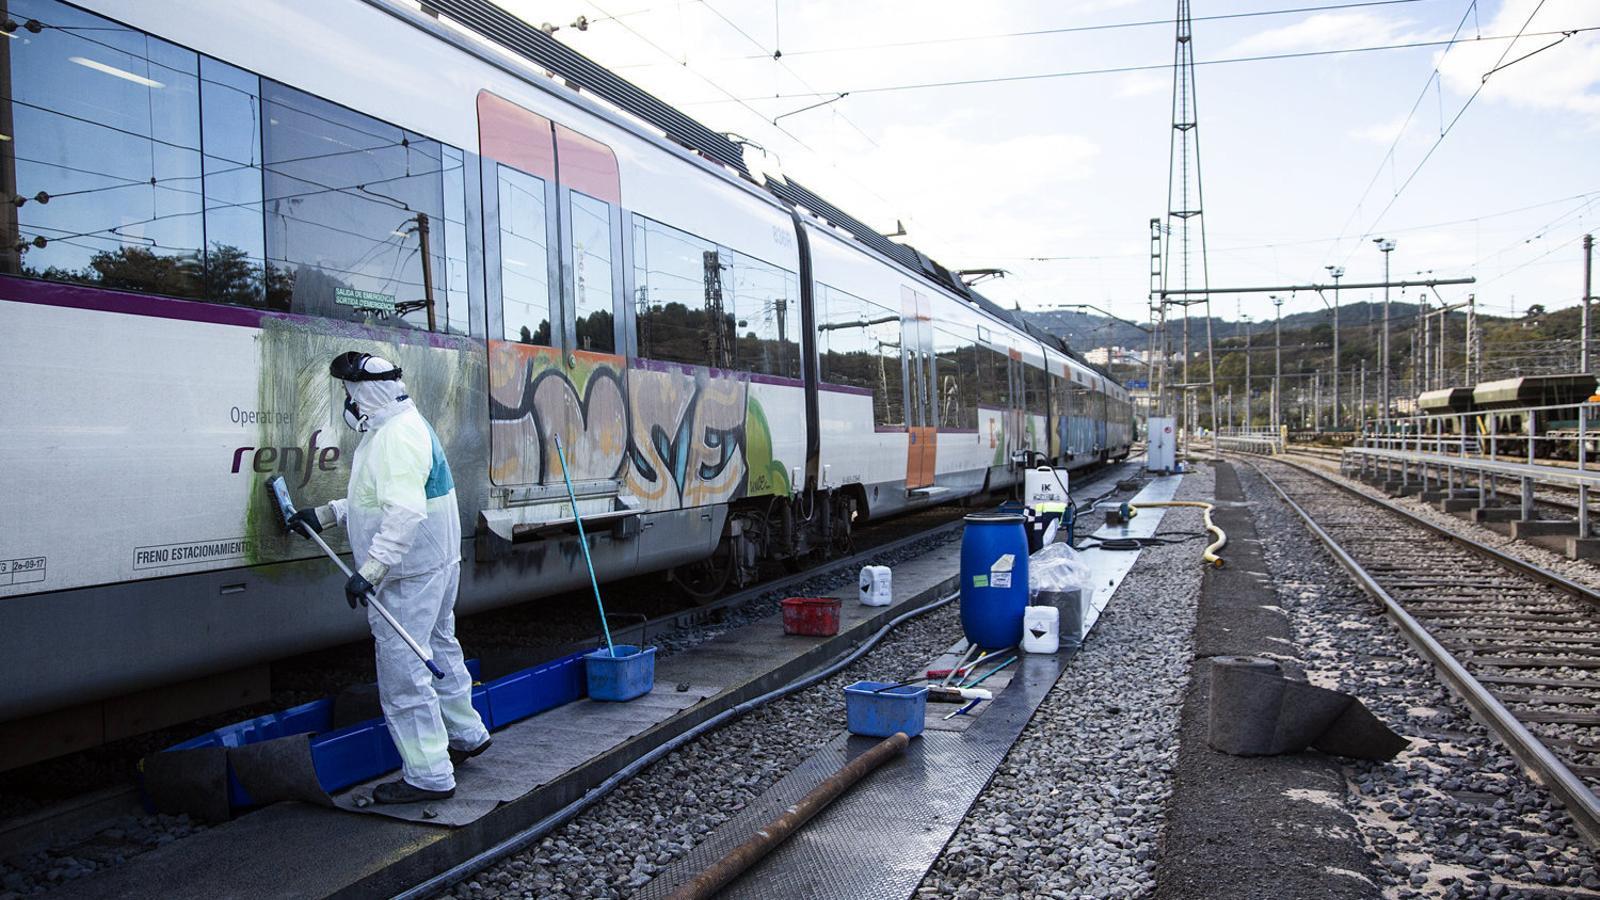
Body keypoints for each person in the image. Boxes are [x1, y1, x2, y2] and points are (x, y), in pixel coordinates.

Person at [289, 351, 490, 803]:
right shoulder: (400, 425)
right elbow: (376, 498)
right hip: (431, 565)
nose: (347, 401)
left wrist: (371, 570)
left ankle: (428, 775)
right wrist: (325, 515)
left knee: (404, 673)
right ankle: (467, 733)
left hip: (407, 575)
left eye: (349, 391)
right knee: (439, 647)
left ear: (366, 393)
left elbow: (403, 511)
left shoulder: (394, 437)